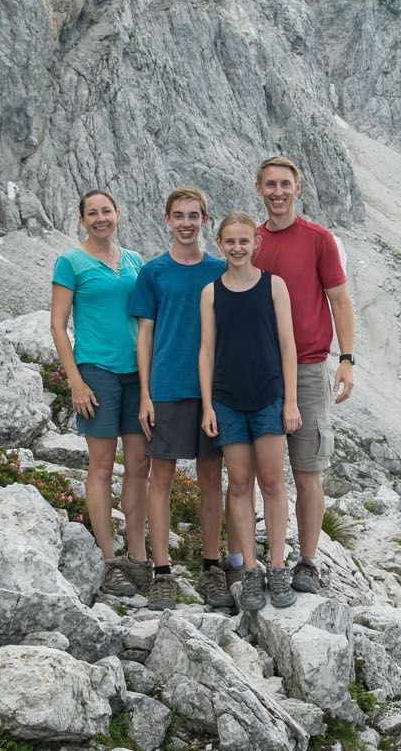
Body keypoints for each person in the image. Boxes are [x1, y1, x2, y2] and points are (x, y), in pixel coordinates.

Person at [130, 187, 238, 612]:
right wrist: (145, 393)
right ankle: (161, 572)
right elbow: (145, 336)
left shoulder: (221, 269)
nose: (187, 223)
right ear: (167, 220)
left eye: (195, 215)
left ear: (206, 220)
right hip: (169, 387)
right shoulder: (153, 272)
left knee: (212, 479)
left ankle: (212, 567)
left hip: (213, 391)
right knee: (162, 479)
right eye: (179, 216)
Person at [252, 156, 355, 594]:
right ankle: (268, 560)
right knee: (267, 474)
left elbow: (339, 298)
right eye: (270, 184)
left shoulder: (319, 239)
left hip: (311, 366)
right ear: (259, 189)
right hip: (261, 369)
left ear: (297, 188)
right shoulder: (249, 241)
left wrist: (347, 358)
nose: (277, 191)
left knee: (308, 470)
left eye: (285, 184)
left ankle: (307, 561)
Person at [49, 189, 152, 598]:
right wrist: (75, 380)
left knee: (139, 466)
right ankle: (109, 560)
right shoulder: (70, 262)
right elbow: (58, 325)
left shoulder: (133, 261)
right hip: (96, 371)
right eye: (92, 213)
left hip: (134, 373)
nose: (100, 218)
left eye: (106, 210)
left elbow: (145, 323)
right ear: (82, 220)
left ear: (118, 213)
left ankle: (139, 556)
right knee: (102, 467)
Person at [199, 212, 301, 611]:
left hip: (268, 396)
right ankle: (252, 572)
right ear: (220, 244)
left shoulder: (274, 286)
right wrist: (208, 405)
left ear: (255, 243)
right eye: (230, 241)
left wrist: (290, 400)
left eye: (245, 241)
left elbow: (288, 347)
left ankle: (278, 567)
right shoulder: (211, 292)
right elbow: (206, 351)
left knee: (273, 482)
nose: (238, 248)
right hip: (226, 398)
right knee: (239, 484)